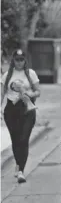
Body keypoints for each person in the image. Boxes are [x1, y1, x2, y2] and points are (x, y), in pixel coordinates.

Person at [1, 49, 41, 183]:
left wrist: (29, 94)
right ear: (13, 60)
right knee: (16, 139)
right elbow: (2, 94)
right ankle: (18, 163)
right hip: (11, 109)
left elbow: (38, 92)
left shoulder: (31, 74)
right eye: (17, 60)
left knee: (24, 139)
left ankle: (20, 171)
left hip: (27, 109)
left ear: (25, 60)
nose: (19, 62)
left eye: (22, 59)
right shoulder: (7, 75)